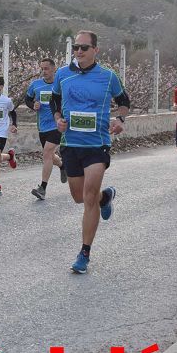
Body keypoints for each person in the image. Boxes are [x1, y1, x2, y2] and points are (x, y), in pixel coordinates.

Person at [50, 31, 130, 274]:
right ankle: (105, 198)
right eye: (76, 47)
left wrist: (119, 119)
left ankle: (84, 252)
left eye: (84, 47)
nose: (79, 51)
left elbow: (125, 102)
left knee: (89, 193)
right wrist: (57, 119)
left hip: (97, 144)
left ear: (96, 50)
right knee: (79, 197)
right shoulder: (62, 75)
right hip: (71, 144)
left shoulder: (108, 77)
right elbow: (54, 100)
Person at [23, 58, 67, 200]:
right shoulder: (35, 85)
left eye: (47, 68)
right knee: (49, 155)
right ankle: (62, 164)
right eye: (42, 68)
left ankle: (42, 188)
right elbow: (27, 99)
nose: (44, 71)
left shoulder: (60, 85)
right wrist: (33, 105)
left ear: (54, 69)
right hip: (43, 127)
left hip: (57, 125)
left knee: (47, 153)